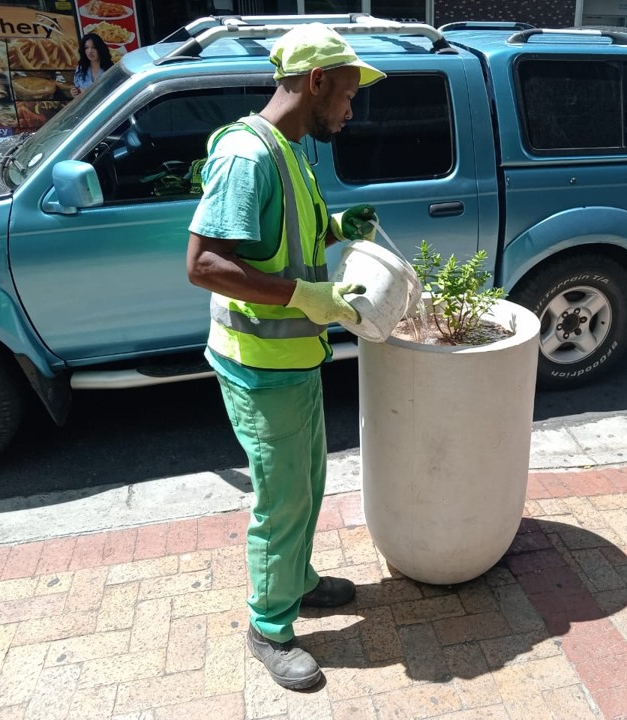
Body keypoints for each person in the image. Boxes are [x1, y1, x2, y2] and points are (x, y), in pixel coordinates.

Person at [185, 23, 384, 691]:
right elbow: (205, 263)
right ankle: (269, 626)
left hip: (295, 357)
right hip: (259, 364)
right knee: (281, 499)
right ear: (317, 81)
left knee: (306, 486)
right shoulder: (248, 155)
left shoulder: (291, 149)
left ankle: (296, 580)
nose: (351, 112)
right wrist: (310, 294)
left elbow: (280, 233)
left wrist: (336, 228)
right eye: (348, 96)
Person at [71, 32, 113, 97]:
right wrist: (75, 92)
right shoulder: (80, 68)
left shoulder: (110, 68)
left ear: (100, 49)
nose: (90, 51)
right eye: (86, 48)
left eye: (93, 47)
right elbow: (77, 90)